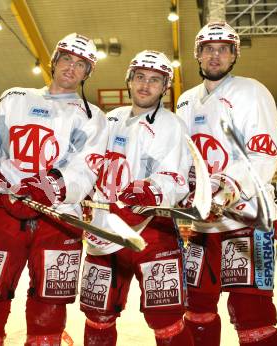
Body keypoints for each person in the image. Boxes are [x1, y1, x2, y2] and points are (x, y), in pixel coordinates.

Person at [0, 33, 108, 346]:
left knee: (49, 307)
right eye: (66, 58)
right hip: (4, 213)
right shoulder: (14, 98)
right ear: (54, 61)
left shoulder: (93, 117)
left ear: (87, 73)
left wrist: (51, 186)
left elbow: (87, 169)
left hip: (58, 217)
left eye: (81, 64)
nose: (71, 67)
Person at [176, 22, 277, 346]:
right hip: (203, 225)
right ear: (198, 54)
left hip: (249, 218)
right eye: (208, 49)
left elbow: (265, 152)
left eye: (223, 49)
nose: (215, 55)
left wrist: (224, 191)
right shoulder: (184, 100)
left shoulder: (252, 91)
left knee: (252, 316)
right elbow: (182, 157)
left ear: (233, 54)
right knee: (196, 310)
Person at [79, 50, 193, 346]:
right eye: (140, 77)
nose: (145, 85)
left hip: (152, 232)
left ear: (165, 87)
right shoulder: (111, 119)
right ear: (129, 80)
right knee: (97, 314)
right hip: (103, 233)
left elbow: (177, 178)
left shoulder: (173, 125)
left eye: (155, 80)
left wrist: (152, 189)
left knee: (165, 319)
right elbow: (90, 165)